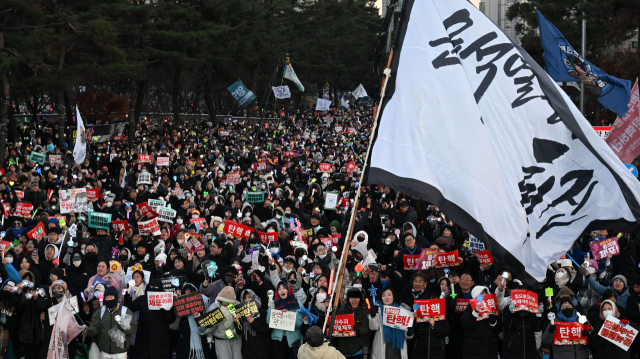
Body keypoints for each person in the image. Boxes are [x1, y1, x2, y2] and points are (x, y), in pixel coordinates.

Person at [124, 278, 176, 359]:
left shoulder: (166, 300)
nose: (153, 291)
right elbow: (130, 308)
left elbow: (171, 319)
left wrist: (163, 311)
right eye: (151, 288)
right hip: (143, 339)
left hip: (160, 341)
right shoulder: (142, 299)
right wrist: (127, 298)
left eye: (156, 288)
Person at [86, 286, 138, 359]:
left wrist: (123, 328)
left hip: (120, 351)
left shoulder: (125, 311)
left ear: (116, 298)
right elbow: (95, 324)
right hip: (104, 350)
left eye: (111, 297)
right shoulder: (101, 311)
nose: (109, 300)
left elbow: (133, 328)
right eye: (107, 298)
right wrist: (91, 331)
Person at [369, 287, 413, 359]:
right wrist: (372, 316)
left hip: (398, 346)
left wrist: (410, 333)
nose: (386, 297)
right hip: (384, 345)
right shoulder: (378, 310)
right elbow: (374, 327)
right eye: (384, 295)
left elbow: (406, 334)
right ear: (381, 298)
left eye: (389, 295)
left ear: (393, 297)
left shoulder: (402, 311)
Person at [460, 286, 503, 359]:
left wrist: (493, 321)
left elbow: (499, 329)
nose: (484, 295)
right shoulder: (469, 309)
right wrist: (475, 313)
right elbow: (466, 325)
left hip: (490, 350)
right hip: (473, 350)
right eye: (481, 294)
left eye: (485, 293)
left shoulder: (492, 308)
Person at [267, 281, 304, 359]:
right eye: (279, 289)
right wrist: (274, 310)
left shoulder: (297, 303)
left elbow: (299, 323)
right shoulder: (273, 303)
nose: (282, 290)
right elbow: (268, 321)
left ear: (288, 289)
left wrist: (288, 313)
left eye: (284, 288)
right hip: (278, 341)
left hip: (294, 340)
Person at [334, 288, 371, 359]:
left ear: (360, 299)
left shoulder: (365, 311)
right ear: (348, 299)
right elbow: (336, 328)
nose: (354, 300)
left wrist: (359, 330)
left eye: (357, 297)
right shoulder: (341, 312)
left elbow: (368, 328)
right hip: (344, 350)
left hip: (360, 350)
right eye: (351, 298)